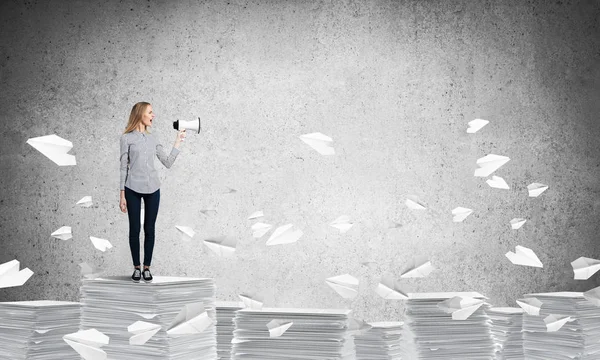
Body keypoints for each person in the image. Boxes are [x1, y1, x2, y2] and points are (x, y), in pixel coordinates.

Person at [119, 102, 186, 283]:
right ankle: (136, 268)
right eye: (150, 112)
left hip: (153, 189)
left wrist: (178, 141)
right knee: (134, 229)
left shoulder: (153, 137)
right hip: (132, 188)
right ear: (140, 114)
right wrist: (122, 194)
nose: (153, 115)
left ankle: (147, 268)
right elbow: (122, 168)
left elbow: (167, 162)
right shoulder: (126, 138)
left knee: (149, 229)